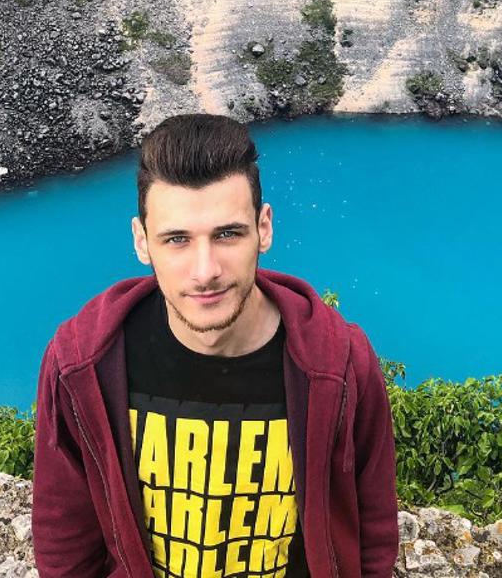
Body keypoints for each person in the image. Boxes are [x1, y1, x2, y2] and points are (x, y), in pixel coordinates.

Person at [32, 113, 399, 578]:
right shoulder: (82, 362)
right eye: (177, 240)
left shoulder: (339, 364)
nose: (205, 271)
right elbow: (64, 538)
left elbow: (373, 527)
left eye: (227, 234)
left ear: (264, 228)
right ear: (142, 242)